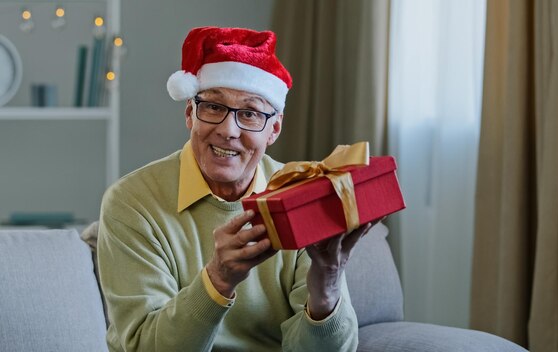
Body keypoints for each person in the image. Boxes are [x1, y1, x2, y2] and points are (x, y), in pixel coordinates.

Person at [97, 26, 373, 352]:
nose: (228, 130)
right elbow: (145, 347)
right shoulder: (132, 202)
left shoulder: (300, 196)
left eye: (251, 113)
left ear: (274, 129)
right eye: (213, 107)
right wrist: (217, 280)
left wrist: (326, 289)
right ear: (190, 114)